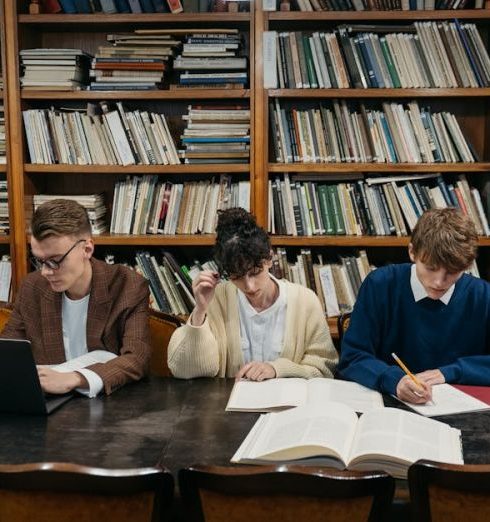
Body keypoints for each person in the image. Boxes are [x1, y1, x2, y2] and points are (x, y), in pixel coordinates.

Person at [338, 207, 490, 404]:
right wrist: (394, 380)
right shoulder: (380, 285)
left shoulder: (483, 296)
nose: (439, 282)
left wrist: (452, 372)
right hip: (390, 407)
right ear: (412, 252)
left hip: (463, 412)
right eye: (431, 268)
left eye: (452, 272)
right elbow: (352, 358)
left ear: (468, 265)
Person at [168, 208, 338, 381]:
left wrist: (277, 369)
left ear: (270, 258)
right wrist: (200, 311)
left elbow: (324, 369)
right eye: (237, 276)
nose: (249, 286)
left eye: (255, 272)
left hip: (289, 405)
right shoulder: (217, 298)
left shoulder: (305, 301)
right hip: (227, 403)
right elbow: (184, 370)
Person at [3, 199, 151, 397]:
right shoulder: (33, 287)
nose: (46, 272)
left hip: (109, 406)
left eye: (55, 261)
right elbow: (9, 349)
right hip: (48, 405)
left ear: (87, 249)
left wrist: (76, 377)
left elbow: (137, 358)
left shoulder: (127, 285)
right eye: (40, 261)